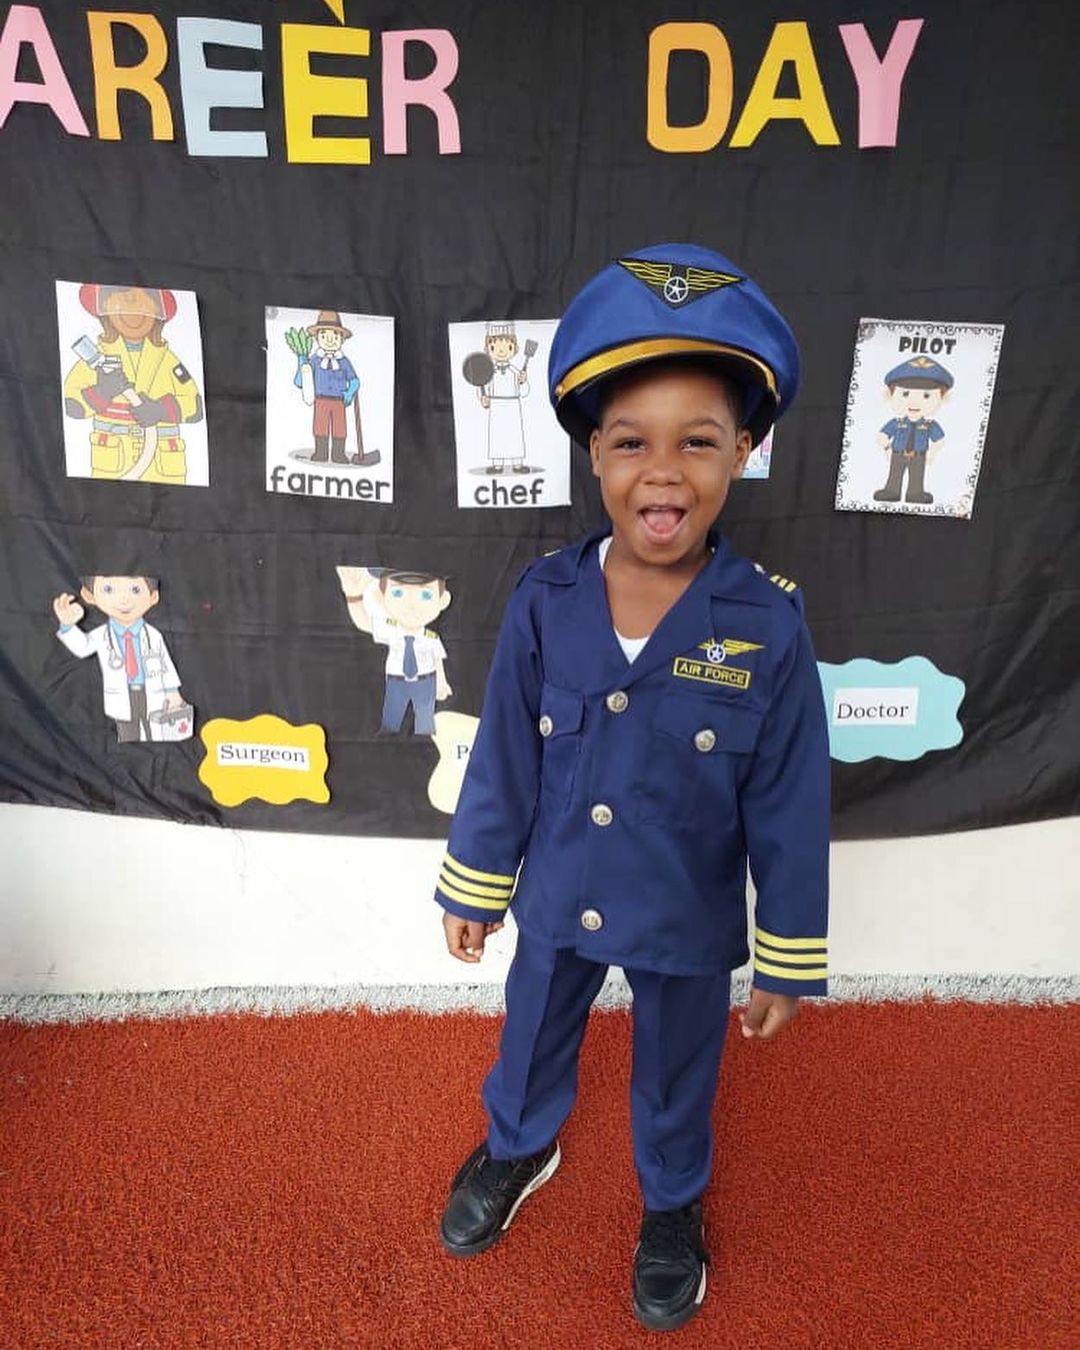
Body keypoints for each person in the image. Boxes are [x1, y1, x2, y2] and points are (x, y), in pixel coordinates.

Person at [433, 244, 830, 1332]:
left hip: (685, 914)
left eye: (698, 441)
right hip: (559, 892)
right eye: (630, 442)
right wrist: (476, 883)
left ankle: (671, 1202)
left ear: (744, 449)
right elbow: (504, 756)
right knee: (530, 1033)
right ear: (593, 455)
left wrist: (788, 951)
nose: (664, 472)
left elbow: (790, 801)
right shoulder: (545, 599)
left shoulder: (767, 624)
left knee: (675, 1073)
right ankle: (519, 1145)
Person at [63, 285, 202, 484]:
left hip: (163, 464)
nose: (133, 310)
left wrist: (161, 410)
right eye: (122, 300)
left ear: (158, 312)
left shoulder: (168, 361)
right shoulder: (97, 359)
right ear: (105, 309)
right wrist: (102, 392)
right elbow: (70, 404)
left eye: (144, 301)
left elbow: (195, 406)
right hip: (112, 462)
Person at [52, 575, 188, 742]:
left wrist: (172, 692)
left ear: (153, 597)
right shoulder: (102, 635)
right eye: (108, 589)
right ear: (89, 596)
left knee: (156, 732)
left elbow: (165, 664)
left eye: (135, 590)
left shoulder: (154, 636)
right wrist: (67, 627)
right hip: (121, 695)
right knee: (128, 735)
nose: (123, 599)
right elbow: (83, 648)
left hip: (153, 692)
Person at [873, 355, 953, 504]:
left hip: (919, 455)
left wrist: (932, 452)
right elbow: (882, 435)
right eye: (905, 394)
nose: (914, 402)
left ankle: (915, 493)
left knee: (917, 476)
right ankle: (892, 491)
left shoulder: (929, 425)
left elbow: (939, 440)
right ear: (890, 395)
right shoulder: (896, 423)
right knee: (894, 474)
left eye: (926, 395)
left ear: (942, 398)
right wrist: (887, 448)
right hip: (897, 453)